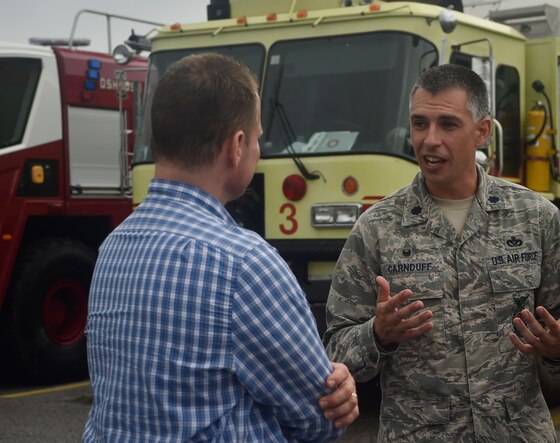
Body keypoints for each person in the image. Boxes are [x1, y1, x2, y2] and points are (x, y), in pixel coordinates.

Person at [83, 53, 358, 442]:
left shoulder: (113, 247)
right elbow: (321, 419)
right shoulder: (244, 263)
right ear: (237, 146)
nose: (259, 150)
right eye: (259, 138)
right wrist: (337, 390)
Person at [323, 64, 560, 442]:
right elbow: (335, 347)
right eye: (419, 124)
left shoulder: (536, 218)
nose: (429, 140)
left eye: (448, 125)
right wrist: (378, 334)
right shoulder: (376, 230)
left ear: (482, 132)